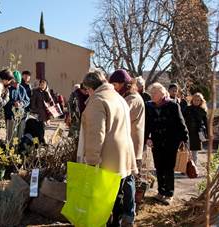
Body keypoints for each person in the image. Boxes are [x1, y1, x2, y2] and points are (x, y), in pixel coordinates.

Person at [78, 69, 137, 227]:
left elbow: (96, 134)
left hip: (107, 158)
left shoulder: (97, 100)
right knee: (117, 196)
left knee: (105, 200)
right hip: (123, 155)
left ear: (90, 88)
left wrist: (91, 161)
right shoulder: (118, 97)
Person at [145, 83, 189, 205]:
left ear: (162, 93)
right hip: (156, 142)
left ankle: (169, 194)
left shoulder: (173, 105)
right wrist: (146, 139)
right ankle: (160, 192)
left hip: (171, 142)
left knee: (168, 168)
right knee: (159, 167)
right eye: (151, 93)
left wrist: (185, 140)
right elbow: (147, 125)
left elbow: (181, 124)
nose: (152, 95)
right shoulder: (149, 106)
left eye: (154, 93)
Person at [109, 69, 145, 172]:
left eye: (115, 84)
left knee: (128, 178)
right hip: (128, 146)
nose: (113, 88)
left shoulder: (132, 99)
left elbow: (118, 117)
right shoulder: (127, 97)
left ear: (124, 84)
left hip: (131, 146)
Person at [4, 70, 30, 142]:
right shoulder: (7, 89)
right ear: (12, 81)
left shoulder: (22, 89)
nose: (17, 84)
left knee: (19, 135)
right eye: (15, 83)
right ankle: (9, 149)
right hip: (10, 116)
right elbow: (4, 102)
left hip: (21, 116)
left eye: (18, 83)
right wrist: (13, 103)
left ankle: (17, 149)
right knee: (11, 135)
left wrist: (22, 103)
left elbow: (27, 100)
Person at [183, 92, 208, 165]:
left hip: (197, 134)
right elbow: (182, 119)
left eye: (198, 100)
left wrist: (207, 133)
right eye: (195, 100)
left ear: (201, 101)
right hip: (187, 132)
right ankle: (185, 169)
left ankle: (194, 169)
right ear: (192, 100)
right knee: (186, 151)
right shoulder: (187, 109)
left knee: (195, 153)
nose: (196, 101)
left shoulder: (202, 111)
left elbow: (206, 123)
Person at [30, 79, 53, 144]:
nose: (43, 85)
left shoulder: (46, 92)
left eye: (44, 84)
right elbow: (32, 104)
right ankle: (35, 143)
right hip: (37, 114)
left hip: (44, 115)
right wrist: (36, 111)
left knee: (42, 129)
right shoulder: (35, 91)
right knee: (36, 130)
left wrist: (47, 92)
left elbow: (51, 102)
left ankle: (41, 142)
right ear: (39, 84)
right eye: (41, 84)